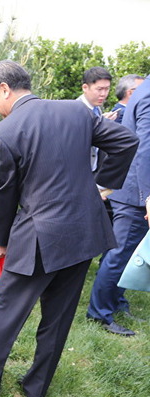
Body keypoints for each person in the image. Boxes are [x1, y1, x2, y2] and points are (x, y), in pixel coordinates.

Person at [0, 60, 138, 397]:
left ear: (5, 88)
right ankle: (36, 390)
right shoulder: (76, 112)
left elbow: (4, 196)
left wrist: (0, 241)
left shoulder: (5, 133)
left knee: (5, 309)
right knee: (59, 315)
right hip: (85, 232)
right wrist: (102, 186)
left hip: (39, 237)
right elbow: (126, 141)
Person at [87, 75, 150, 336]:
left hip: (133, 189)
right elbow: (146, 147)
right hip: (135, 191)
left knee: (126, 253)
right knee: (119, 254)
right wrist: (148, 195)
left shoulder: (143, 88)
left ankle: (115, 302)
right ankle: (99, 313)